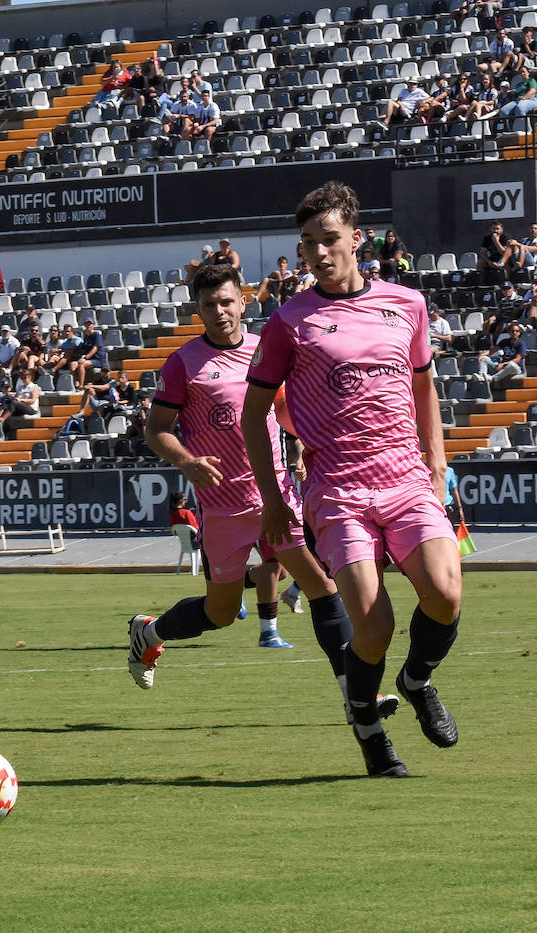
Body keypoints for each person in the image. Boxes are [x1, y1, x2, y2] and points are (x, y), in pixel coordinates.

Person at [243, 180, 462, 778]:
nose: (317, 253)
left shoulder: (407, 304)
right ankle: (367, 723)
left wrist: (437, 462)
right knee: (374, 623)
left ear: (356, 238)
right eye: (308, 242)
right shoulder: (290, 321)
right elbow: (254, 412)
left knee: (445, 595)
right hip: (337, 487)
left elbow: (423, 388)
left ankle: (416, 682)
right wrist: (272, 498)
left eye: (329, 239)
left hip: (406, 476)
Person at [127, 263, 370, 704]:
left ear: (244, 300)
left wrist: (305, 448)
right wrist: (187, 461)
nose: (220, 311)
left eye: (226, 301)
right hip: (222, 509)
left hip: (273, 496)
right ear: (197, 310)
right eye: (209, 305)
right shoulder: (184, 363)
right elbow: (156, 428)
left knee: (321, 585)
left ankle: (357, 699)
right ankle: (149, 632)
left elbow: (286, 411)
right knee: (219, 614)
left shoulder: (266, 349)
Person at [494, 64, 537, 131]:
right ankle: (511, 131)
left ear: (528, 73)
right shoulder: (519, 85)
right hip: (518, 100)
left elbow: (532, 91)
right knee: (503, 112)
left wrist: (523, 99)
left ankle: (526, 131)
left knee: (520, 108)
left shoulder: (531, 80)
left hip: (531, 99)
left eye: (523, 71)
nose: (522, 73)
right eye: (520, 72)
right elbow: (514, 96)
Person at [70, 319, 107, 384]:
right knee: (73, 364)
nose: (88, 326)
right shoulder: (86, 337)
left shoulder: (97, 335)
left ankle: (81, 385)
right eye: (86, 324)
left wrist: (85, 358)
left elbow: (95, 349)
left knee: (82, 364)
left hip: (98, 359)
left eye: (90, 324)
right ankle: (76, 383)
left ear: (93, 325)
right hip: (90, 359)